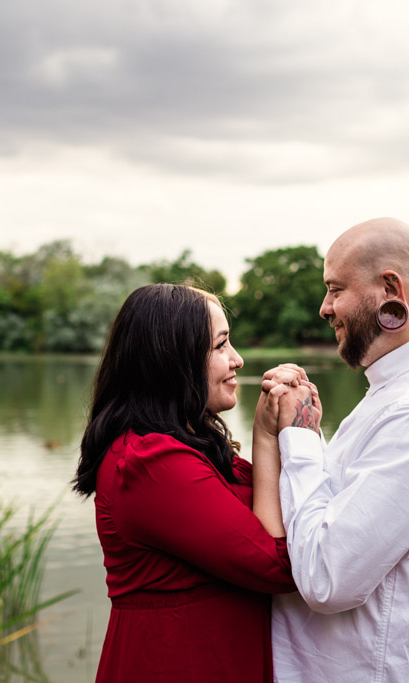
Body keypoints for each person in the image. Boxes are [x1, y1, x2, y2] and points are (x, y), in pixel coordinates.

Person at [257, 217, 409, 682]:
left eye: (335, 289)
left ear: (390, 289)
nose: (324, 308)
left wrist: (301, 439)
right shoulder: (402, 393)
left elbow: (327, 578)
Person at [71, 283, 297, 683]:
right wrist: (265, 437)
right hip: (177, 665)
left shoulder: (189, 447)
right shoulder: (150, 464)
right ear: (172, 358)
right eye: (221, 346)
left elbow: (277, 506)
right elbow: (277, 566)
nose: (238, 360)